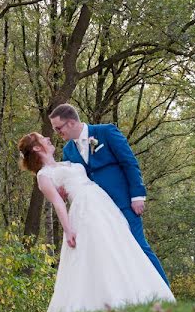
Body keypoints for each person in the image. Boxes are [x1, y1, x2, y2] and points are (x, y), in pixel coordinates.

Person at [18, 132, 175, 312]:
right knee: (97, 251)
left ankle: (135, 295)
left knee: (118, 246)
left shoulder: (66, 163)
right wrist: (68, 230)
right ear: (37, 147)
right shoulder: (43, 176)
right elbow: (59, 204)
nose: (48, 139)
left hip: (103, 204)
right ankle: (105, 300)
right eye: (43, 139)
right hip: (83, 209)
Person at [48, 104, 170, 287]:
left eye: (58, 128)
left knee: (138, 246)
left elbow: (128, 162)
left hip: (123, 202)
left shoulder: (106, 132)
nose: (57, 133)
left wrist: (137, 195)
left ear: (71, 122)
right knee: (114, 255)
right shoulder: (68, 151)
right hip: (98, 212)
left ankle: (164, 292)